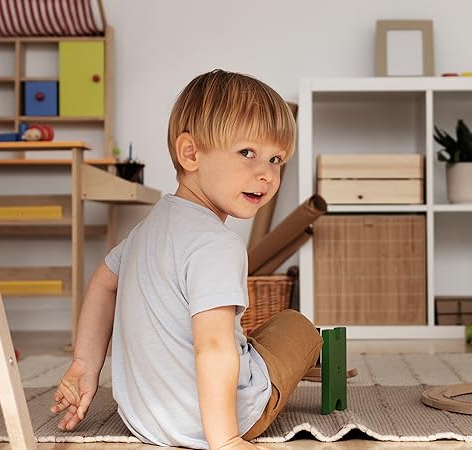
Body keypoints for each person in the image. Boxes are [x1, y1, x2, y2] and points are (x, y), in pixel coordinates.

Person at [50, 69, 322, 450]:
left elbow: (102, 283)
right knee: (295, 326)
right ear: (190, 153)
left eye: (276, 159)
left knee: (242, 334)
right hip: (214, 422)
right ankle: (280, 378)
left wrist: (83, 364)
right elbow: (211, 346)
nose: (266, 174)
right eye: (248, 153)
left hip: (144, 419)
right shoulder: (217, 244)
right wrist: (225, 439)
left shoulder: (146, 231)